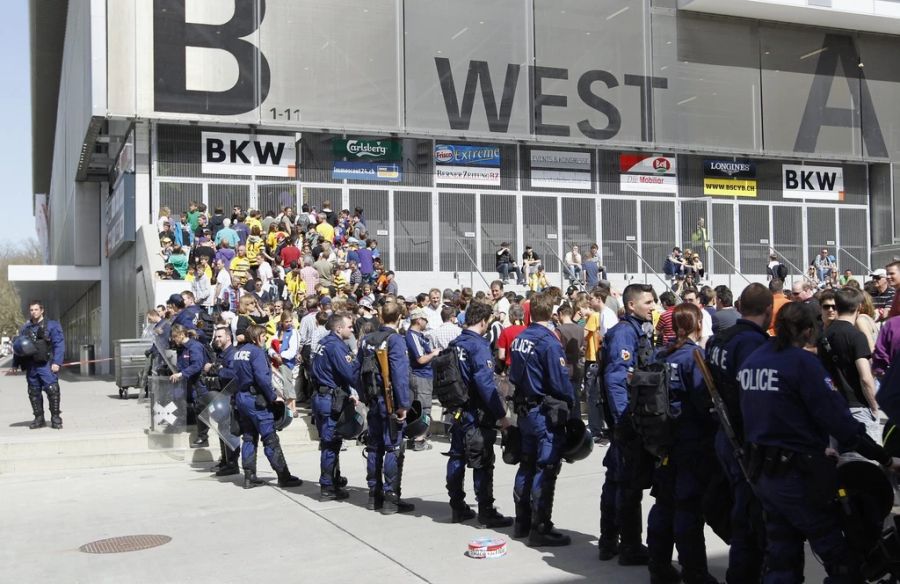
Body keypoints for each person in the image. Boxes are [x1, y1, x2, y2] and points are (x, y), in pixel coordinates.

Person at [739, 302, 900, 582]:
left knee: (781, 552)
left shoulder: (755, 359)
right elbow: (840, 423)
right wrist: (884, 458)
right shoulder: (802, 363)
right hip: (798, 476)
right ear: (808, 330)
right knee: (840, 559)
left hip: (763, 472)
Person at [705, 283, 773, 584]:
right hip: (744, 437)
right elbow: (755, 396)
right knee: (749, 516)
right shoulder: (752, 344)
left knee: (739, 506)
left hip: (725, 432)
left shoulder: (719, 339)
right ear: (768, 311)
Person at [646, 303, 718, 584]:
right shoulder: (694, 357)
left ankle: (658, 565)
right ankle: (694, 571)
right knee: (687, 508)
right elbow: (704, 402)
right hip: (690, 443)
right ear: (697, 324)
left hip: (661, 440)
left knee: (663, 505)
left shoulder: (659, 355)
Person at [509, 292, 576, 547]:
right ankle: (540, 526)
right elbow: (560, 382)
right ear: (552, 313)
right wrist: (569, 402)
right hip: (543, 412)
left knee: (525, 465)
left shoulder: (519, 339)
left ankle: (522, 522)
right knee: (545, 468)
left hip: (524, 410)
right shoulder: (549, 342)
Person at [599, 283, 657, 565]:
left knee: (616, 479)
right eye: (647, 302)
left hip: (629, 418)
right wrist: (624, 420)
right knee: (627, 483)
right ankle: (629, 545)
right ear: (632, 305)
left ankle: (609, 540)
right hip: (627, 421)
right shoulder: (624, 333)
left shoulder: (638, 330)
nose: (653, 306)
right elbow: (616, 379)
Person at [445, 300, 514, 527]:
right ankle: (485, 510)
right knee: (482, 461)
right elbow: (485, 383)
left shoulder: (455, 343)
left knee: (457, 456)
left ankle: (457, 506)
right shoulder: (478, 346)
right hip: (475, 412)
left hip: (457, 410)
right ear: (484, 321)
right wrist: (501, 413)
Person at [357, 301, 415, 514]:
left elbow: (357, 371)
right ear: (399, 318)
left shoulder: (366, 340)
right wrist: (403, 405)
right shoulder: (395, 340)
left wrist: (364, 397)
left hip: (373, 401)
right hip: (388, 402)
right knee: (392, 447)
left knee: (374, 447)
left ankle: (374, 494)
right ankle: (391, 497)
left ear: (381, 317)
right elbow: (399, 375)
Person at [232, 324, 303, 489]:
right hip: (256, 400)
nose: (265, 339)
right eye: (263, 336)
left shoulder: (239, 353)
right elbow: (263, 378)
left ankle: (249, 476)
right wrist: (273, 397)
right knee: (270, 438)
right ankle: (284, 476)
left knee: (249, 437)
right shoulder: (256, 353)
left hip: (242, 398)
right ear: (256, 336)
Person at [817, 288, 880, 444]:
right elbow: (865, 378)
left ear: (837, 306)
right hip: (858, 407)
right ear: (858, 307)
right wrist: (874, 406)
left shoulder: (823, 335)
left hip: (834, 406)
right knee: (869, 460)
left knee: (841, 462)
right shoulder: (856, 336)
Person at [310, 312, 360, 500]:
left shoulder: (323, 343)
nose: (352, 329)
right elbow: (351, 373)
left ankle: (334, 479)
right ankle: (327, 487)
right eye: (349, 326)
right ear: (338, 328)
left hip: (323, 397)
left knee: (331, 442)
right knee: (330, 444)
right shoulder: (337, 347)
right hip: (329, 400)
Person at [12, 301, 65, 429]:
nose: (33, 312)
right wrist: (15, 364)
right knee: (34, 392)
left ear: (42, 310)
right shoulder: (25, 328)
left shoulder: (52, 326)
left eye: (36, 309)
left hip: (46, 364)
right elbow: (19, 347)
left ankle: (55, 417)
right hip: (31, 366)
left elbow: (59, 344)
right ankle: (39, 418)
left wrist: (57, 362)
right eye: (31, 310)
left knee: (52, 390)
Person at [203, 325, 240, 477]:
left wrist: (215, 369)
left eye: (220, 336)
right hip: (220, 397)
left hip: (229, 397)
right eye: (216, 336)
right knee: (221, 429)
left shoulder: (232, 354)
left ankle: (232, 464)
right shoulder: (221, 353)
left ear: (228, 337)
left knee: (228, 431)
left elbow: (233, 374)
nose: (217, 339)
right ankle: (225, 461)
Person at [168, 324, 211, 447]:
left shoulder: (194, 347)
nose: (173, 339)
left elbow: (196, 366)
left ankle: (203, 437)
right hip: (189, 383)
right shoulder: (183, 348)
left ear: (181, 335)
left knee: (201, 408)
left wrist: (181, 374)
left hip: (199, 383)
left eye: (175, 337)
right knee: (193, 406)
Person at [405, 308, 438, 451]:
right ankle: (419, 439)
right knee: (424, 408)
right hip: (421, 376)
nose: (426, 323)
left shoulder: (420, 336)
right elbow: (421, 358)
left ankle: (418, 437)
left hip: (424, 375)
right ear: (418, 320)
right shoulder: (413, 336)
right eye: (425, 320)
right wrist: (434, 353)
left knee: (422, 407)